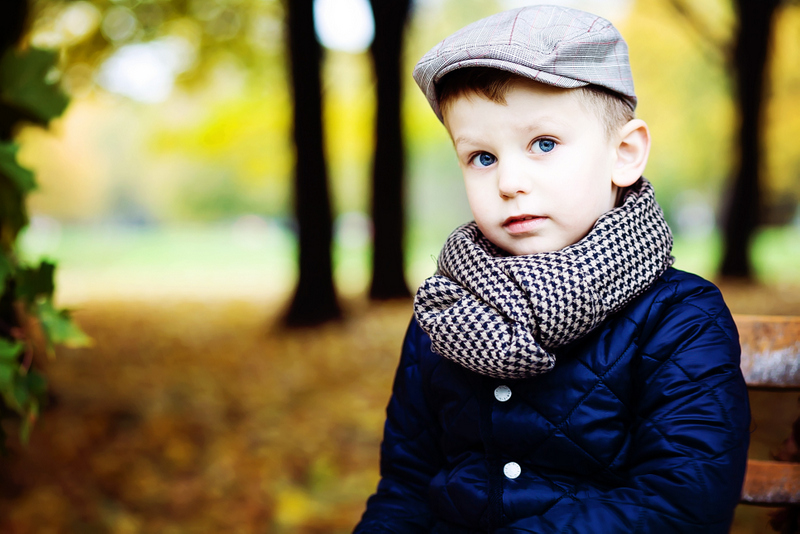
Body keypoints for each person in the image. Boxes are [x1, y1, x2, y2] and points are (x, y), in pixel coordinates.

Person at [354, 5, 750, 533]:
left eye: (543, 144)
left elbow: (680, 504)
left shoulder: (680, 318)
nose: (509, 182)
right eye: (482, 157)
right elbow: (405, 489)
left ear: (624, 153)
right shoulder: (445, 314)